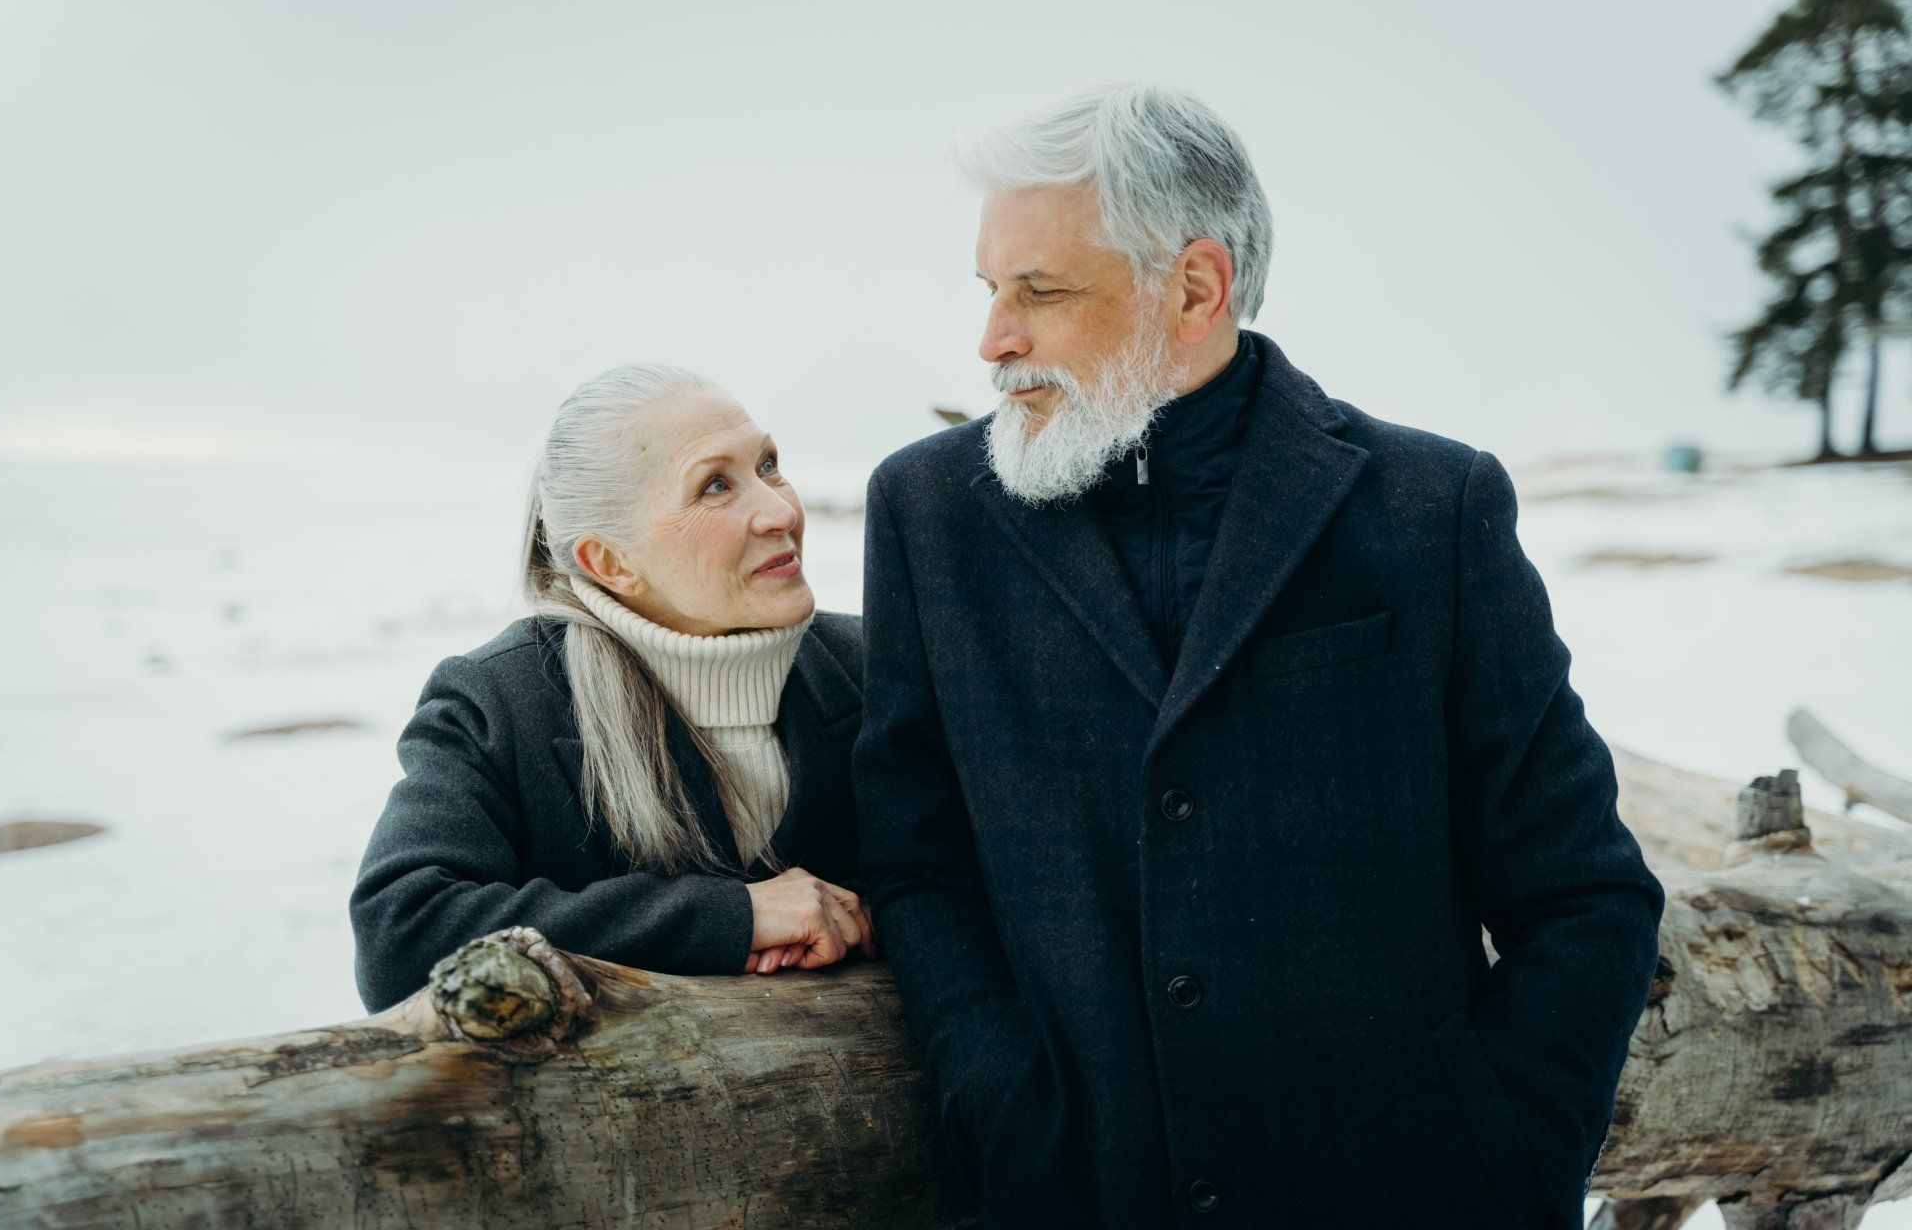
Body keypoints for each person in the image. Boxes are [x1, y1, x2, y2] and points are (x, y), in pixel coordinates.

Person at [853, 82, 1665, 1229]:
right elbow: (915, 858)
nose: (992, 338)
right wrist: (1004, 1095)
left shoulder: (1430, 506)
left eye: (1039, 290)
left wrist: (1498, 1153)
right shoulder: (929, 513)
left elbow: (1584, 892)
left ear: (1193, 287)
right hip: (1075, 1196)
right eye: (992, 289)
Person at [350, 364, 872, 1015]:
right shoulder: (502, 703)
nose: (781, 509)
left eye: (768, 464)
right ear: (610, 563)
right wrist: (729, 919)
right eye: (715, 485)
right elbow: (401, 937)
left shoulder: (876, 664)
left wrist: (864, 915)